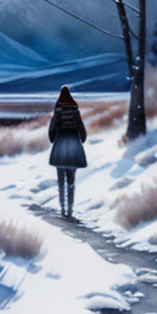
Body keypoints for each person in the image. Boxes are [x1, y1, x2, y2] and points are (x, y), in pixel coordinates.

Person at [48, 85, 87, 217]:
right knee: (71, 179)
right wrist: (82, 138)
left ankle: (62, 206)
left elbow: (52, 128)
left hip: (60, 147)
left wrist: (53, 139)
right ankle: (70, 206)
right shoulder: (75, 110)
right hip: (74, 147)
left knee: (60, 179)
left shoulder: (58, 110)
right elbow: (82, 130)